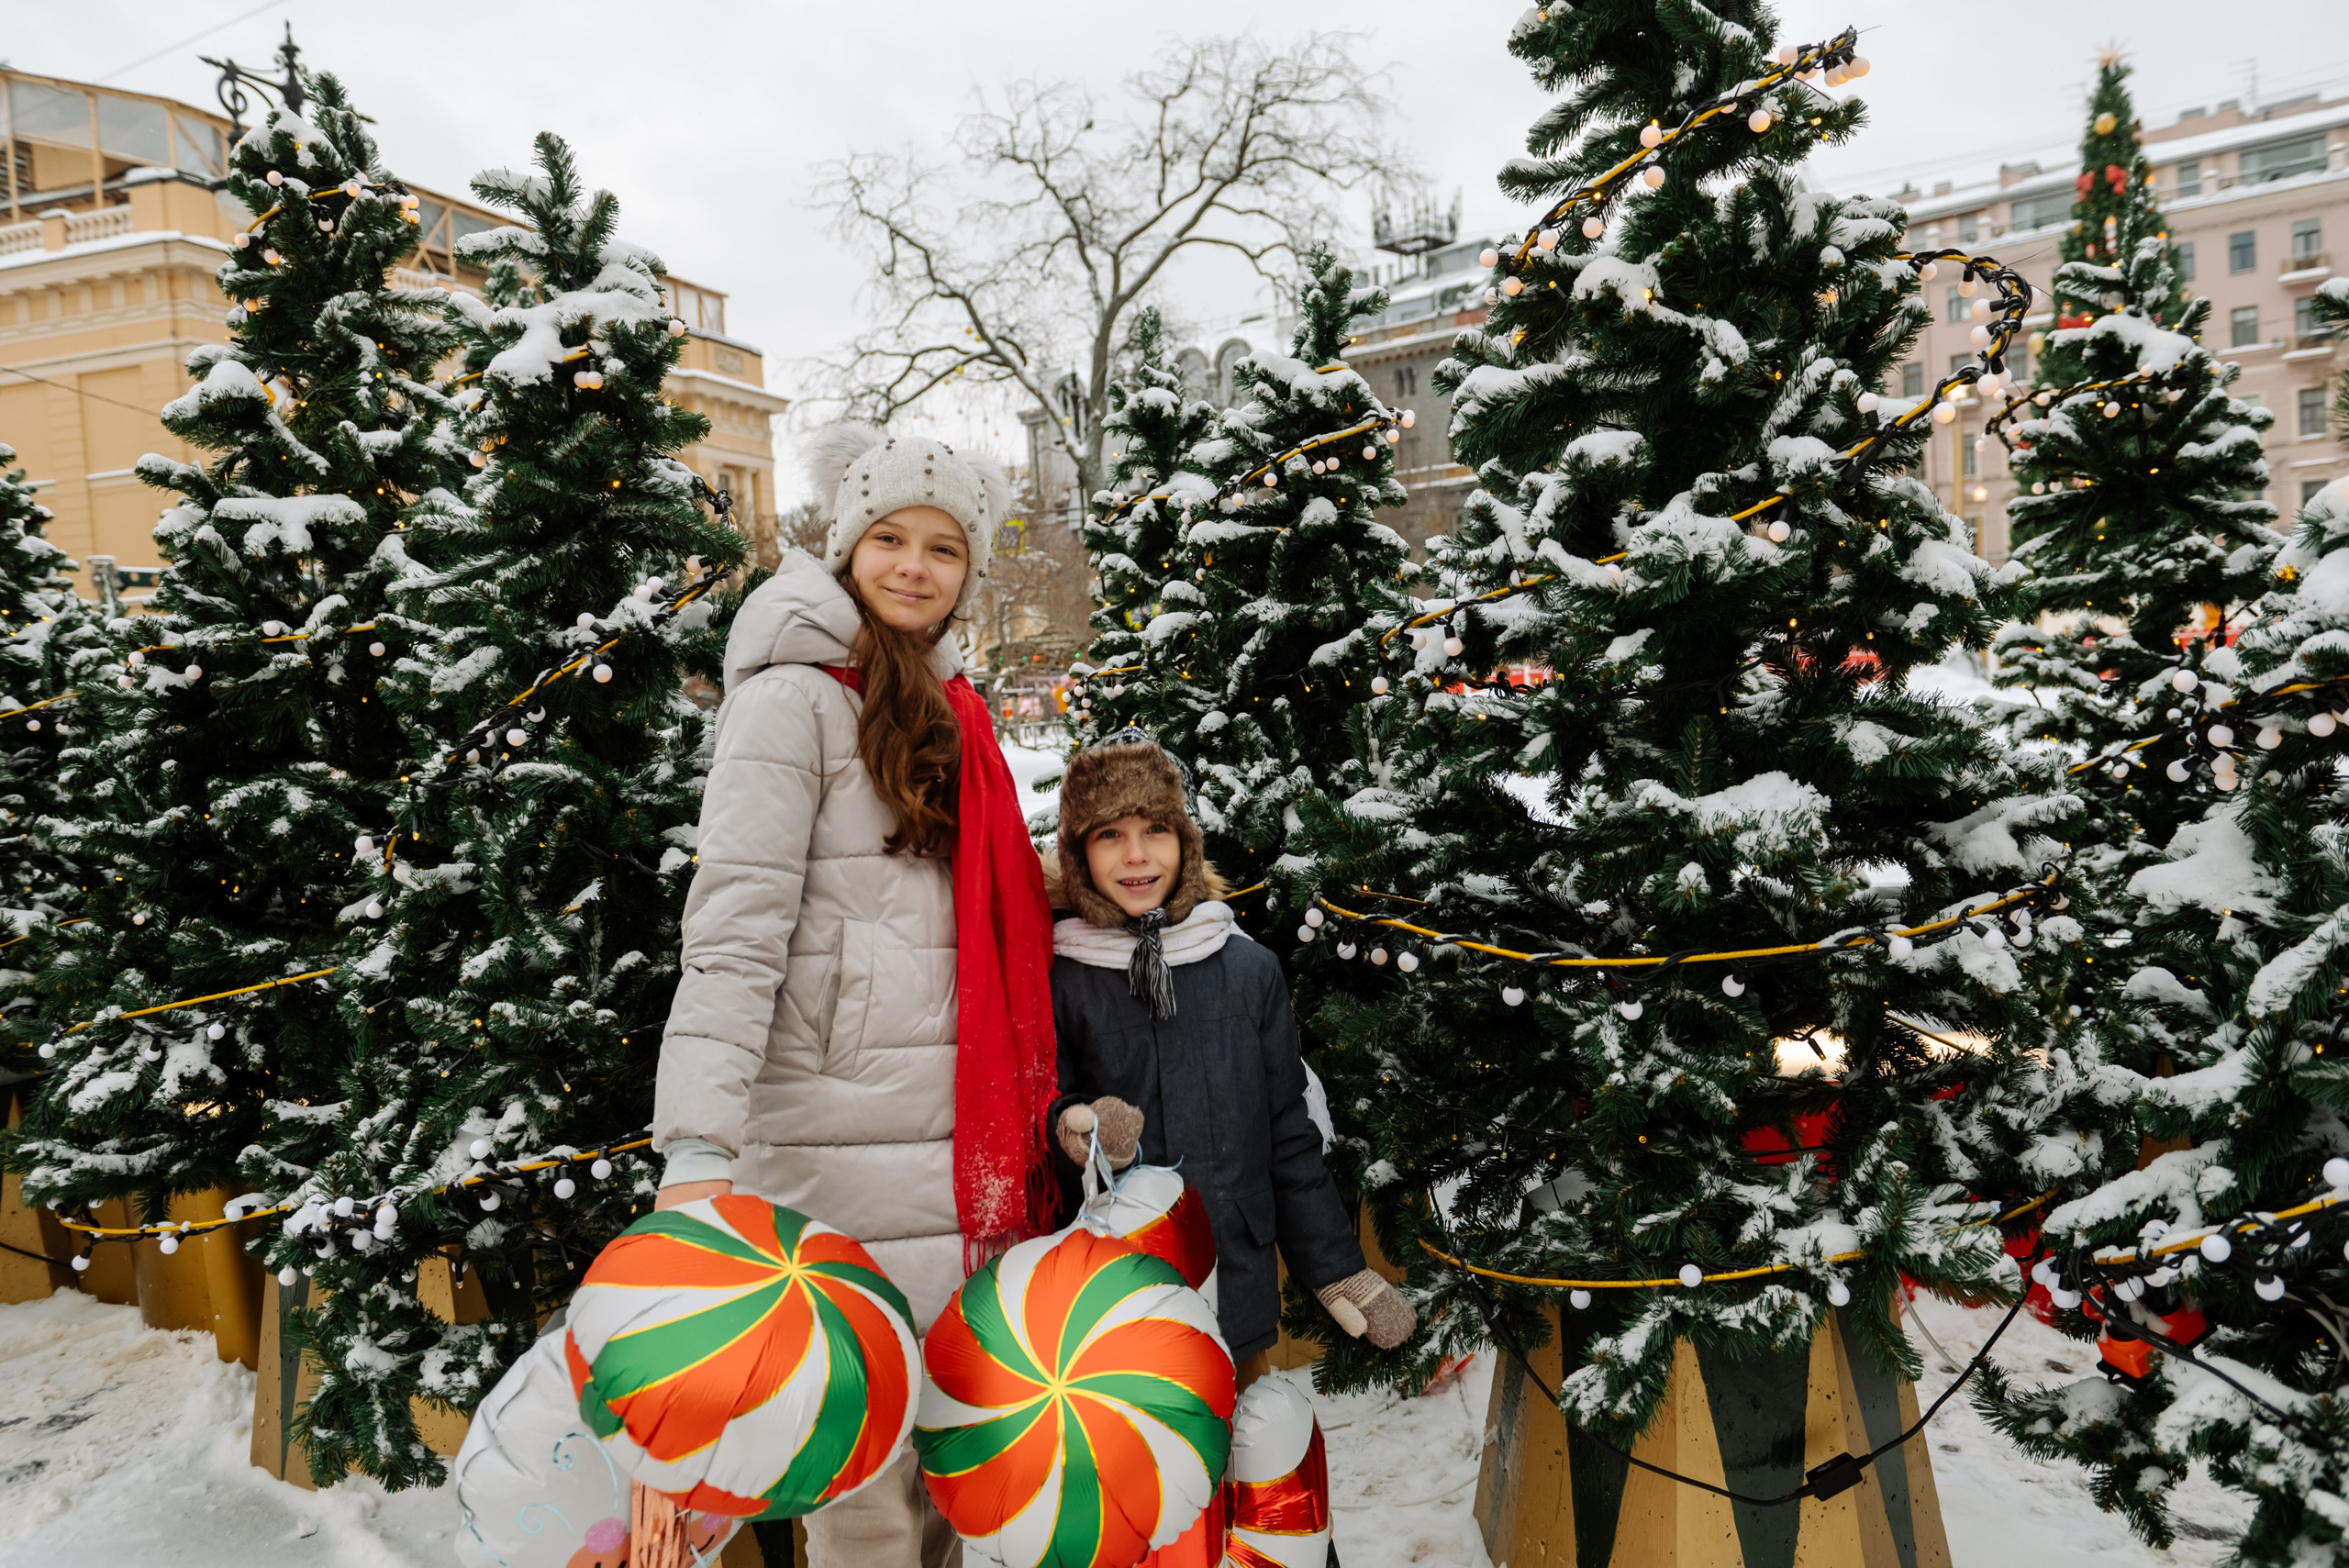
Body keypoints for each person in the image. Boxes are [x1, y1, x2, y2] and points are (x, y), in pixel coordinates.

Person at [652, 426, 1054, 1568]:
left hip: (953, 1138)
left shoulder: (956, 706)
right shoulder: (790, 702)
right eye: (890, 537)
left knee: (949, 1479)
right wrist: (694, 1147)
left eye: (944, 547)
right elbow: (731, 935)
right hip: (832, 1138)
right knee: (860, 1484)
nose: (915, 566)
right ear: (845, 546)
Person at [1046, 731, 1416, 1388]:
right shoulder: (1063, 976)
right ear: (1078, 851)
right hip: (1105, 1307)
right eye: (1108, 834)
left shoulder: (1246, 970)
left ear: (1186, 841)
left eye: (1156, 828)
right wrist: (1076, 1128)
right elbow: (1043, 1106)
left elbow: (1286, 1131)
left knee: (1243, 1460)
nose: (1136, 855)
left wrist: (1338, 1270)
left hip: (1234, 1285)